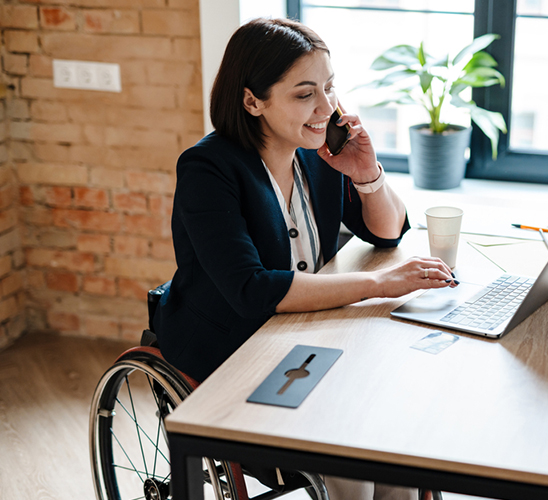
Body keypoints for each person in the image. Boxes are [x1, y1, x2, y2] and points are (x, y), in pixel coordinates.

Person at [153, 17, 457, 500]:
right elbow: (251, 290)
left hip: (310, 335)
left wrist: (366, 173)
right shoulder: (208, 169)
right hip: (236, 345)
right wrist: (379, 285)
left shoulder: (316, 152)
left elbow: (387, 232)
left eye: (330, 88)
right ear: (253, 100)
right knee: (351, 455)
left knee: (400, 442)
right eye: (304, 94)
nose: (326, 108)